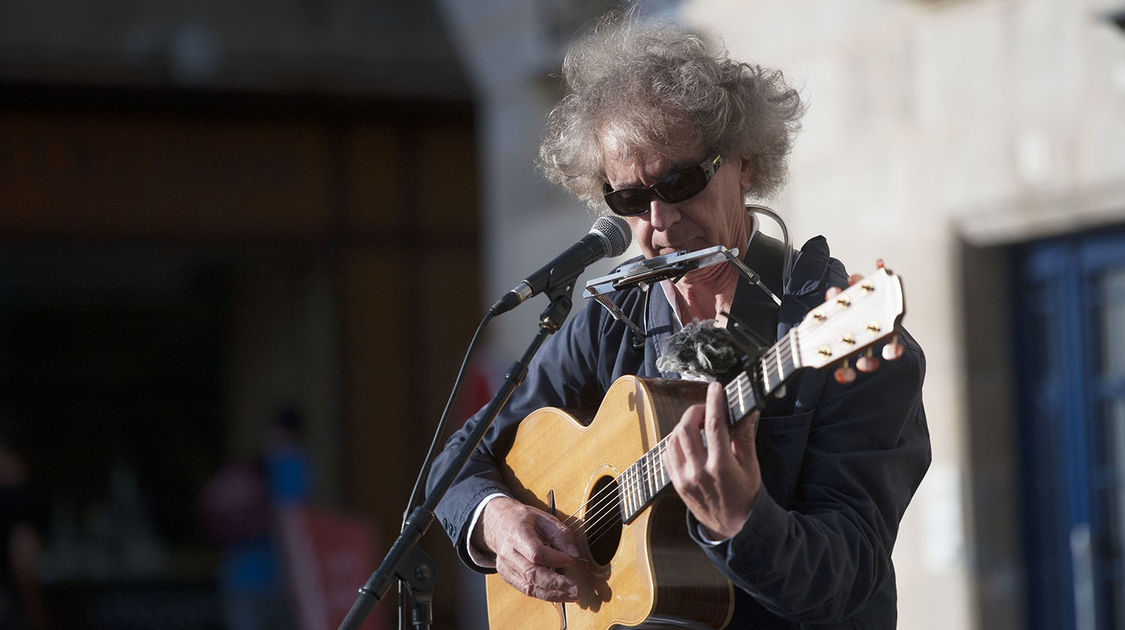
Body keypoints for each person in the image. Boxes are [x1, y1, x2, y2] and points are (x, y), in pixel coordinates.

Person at [427, 14, 931, 628]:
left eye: (681, 181)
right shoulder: (610, 323)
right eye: (630, 201)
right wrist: (496, 519)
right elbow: (457, 460)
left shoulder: (832, 329)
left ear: (744, 163)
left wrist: (743, 523)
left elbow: (847, 580)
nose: (659, 220)